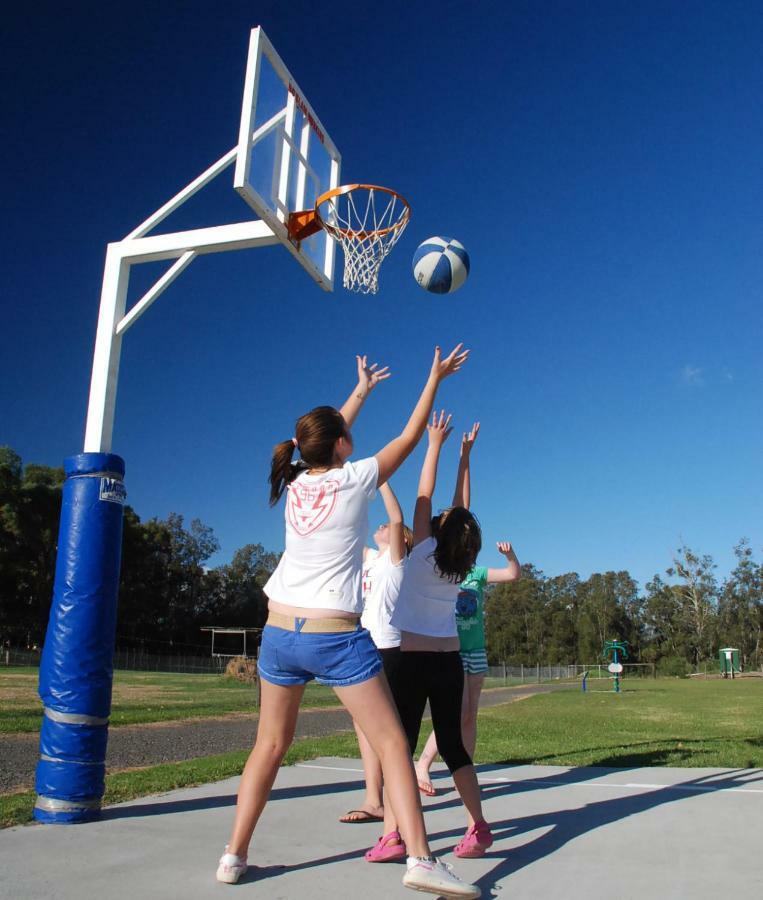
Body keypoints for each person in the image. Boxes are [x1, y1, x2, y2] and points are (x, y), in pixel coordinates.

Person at [217, 347, 481, 900]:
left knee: (268, 746)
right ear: (342, 445)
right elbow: (410, 436)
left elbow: (319, 440)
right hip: (334, 638)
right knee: (392, 746)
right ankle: (421, 859)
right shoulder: (356, 478)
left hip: (278, 633)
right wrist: (432, 378)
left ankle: (234, 855)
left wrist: (359, 392)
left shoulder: (293, 480)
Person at [371, 410, 494, 863]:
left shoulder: (420, 551)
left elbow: (424, 493)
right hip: (449, 663)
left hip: (409, 663)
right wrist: (464, 457)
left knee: (397, 749)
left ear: (436, 531)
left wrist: (435, 444)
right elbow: (461, 512)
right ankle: (478, 828)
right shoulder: (461, 564)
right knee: (455, 747)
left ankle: (393, 836)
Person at [415, 425, 521, 795]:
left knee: (467, 713)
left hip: (467, 649)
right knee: (450, 715)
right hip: (443, 648)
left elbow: (459, 509)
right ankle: (422, 765)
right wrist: (453, 453)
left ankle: (464, 774)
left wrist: (463, 456)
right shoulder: (429, 559)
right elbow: (450, 506)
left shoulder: (462, 567)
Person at [339, 481, 412, 825]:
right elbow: (352, 531)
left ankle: (395, 804)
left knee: (386, 728)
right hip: (362, 644)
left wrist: (381, 479)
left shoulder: (396, 562)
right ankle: (374, 800)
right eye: (378, 525)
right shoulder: (369, 559)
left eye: (389, 529)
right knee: (361, 722)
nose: (381, 526)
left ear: (404, 541)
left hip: (388, 647)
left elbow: (396, 517)